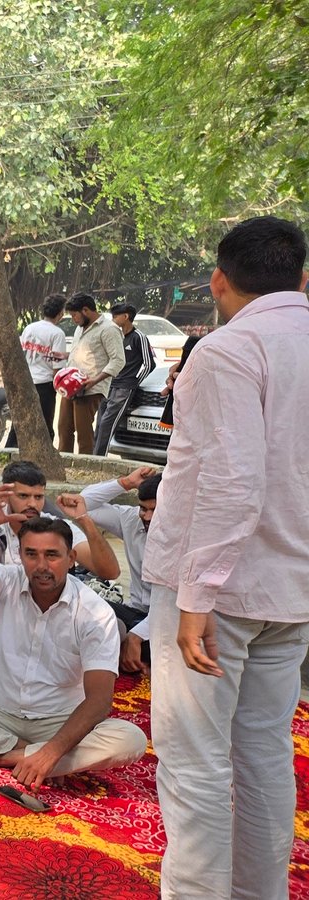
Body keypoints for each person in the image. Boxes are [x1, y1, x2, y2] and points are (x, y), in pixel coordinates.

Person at [145, 215, 309, 900]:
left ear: (219, 280)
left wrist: (198, 595)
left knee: (196, 766)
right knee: (266, 756)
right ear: (301, 276)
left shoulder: (228, 350)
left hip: (216, 597)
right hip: (291, 590)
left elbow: (232, 480)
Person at [0, 518, 147, 789]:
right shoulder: (6, 580)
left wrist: (52, 750)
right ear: (20, 556)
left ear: (71, 559)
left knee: (130, 739)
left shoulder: (95, 614)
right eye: (31, 554)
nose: (41, 566)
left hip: (58, 721)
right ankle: (25, 750)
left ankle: (5, 757)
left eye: (52, 555)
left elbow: (99, 702)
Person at [0, 460, 120, 581]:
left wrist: (84, 519)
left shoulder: (56, 527)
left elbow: (110, 573)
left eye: (38, 497)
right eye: (23, 496)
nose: (32, 504)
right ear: (6, 494)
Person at [81, 468, 160, 671]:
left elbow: (173, 605)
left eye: (155, 510)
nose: (148, 517)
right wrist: (126, 483)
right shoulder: (131, 519)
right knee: (83, 608)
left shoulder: (186, 536)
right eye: (144, 509)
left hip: (167, 622)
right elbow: (83, 503)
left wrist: (137, 636)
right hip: (134, 612)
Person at [57, 293, 125, 454]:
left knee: (84, 432)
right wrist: (64, 356)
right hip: (70, 386)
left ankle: (85, 467)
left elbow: (118, 360)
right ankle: (64, 464)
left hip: (90, 389)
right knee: (63, 428)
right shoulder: (79, 329)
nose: (73, 319)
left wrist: (94, 380)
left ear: (86, 310)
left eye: (75, 315)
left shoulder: (109, 329)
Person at [92, 303, 156, 455]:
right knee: (100, 422)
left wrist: (134, 382)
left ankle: (99, 459)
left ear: (126, 317)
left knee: (108, 423)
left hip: (125, 387)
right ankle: (93, 457)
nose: (113, 319)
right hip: (110, 385)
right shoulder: (116, 336)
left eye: (115, 316)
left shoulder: (139, 337)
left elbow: (149, 364)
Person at [10, 293, 69, 445]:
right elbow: (57, 367)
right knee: (44, 424)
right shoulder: (57, 334)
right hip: (45, 384)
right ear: (61, 313)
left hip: (25, 381)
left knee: (20, 422)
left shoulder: (30, 328)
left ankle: (9, 451)